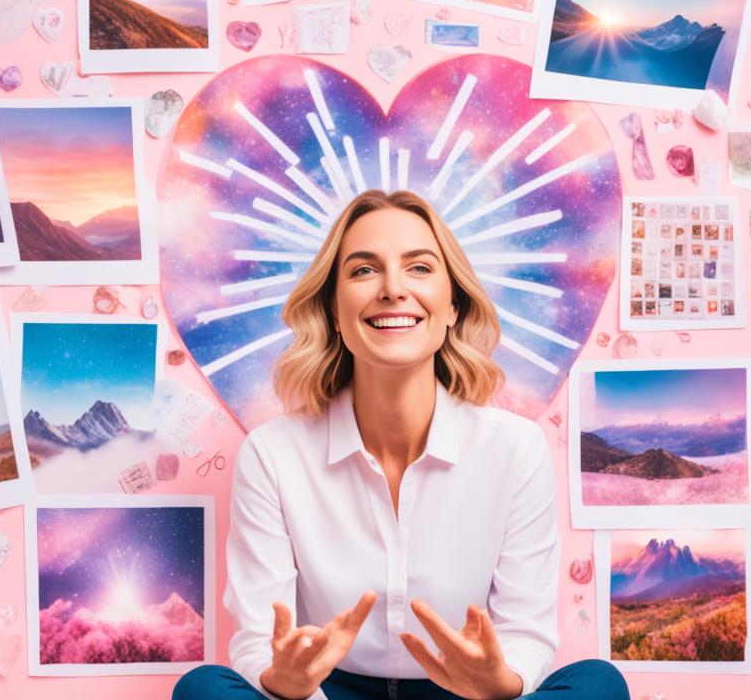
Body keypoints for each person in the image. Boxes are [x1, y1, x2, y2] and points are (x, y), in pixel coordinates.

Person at [175, 191, 628, 699]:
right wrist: (286, 682)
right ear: (334, 311)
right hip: (325, 693)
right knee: (203, 689)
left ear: (453, 305)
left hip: (465, 692)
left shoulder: (516, 449)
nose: (393, 289)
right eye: (364, 271)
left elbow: (526, 635)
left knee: (597, 684)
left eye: (419, 268)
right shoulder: (272, 455)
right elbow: (261, 640)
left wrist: (499, 682)